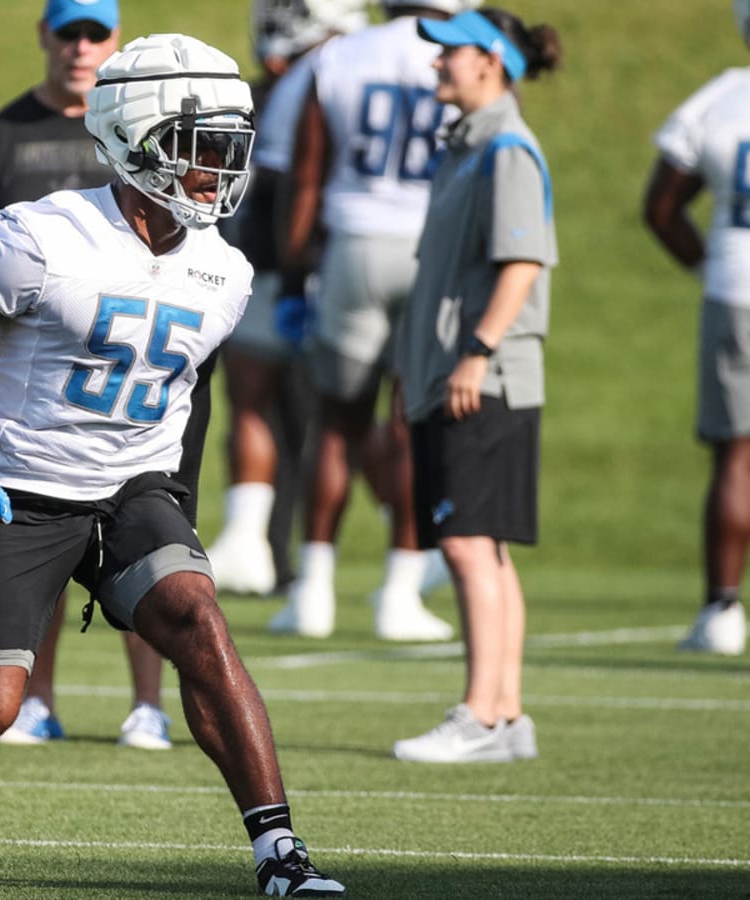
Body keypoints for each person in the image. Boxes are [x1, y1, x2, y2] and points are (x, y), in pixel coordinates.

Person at [0, 34, 346, 897]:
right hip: (25, 492)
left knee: (198, 618)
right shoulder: (43, 237)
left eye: (230, 149)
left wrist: (171, 503)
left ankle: (280, 854)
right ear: (138, 139)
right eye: (204, 149)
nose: (221, 169)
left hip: (133, 489)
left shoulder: (223, 270)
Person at [0, 0, 175, 750]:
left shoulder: (146, 133)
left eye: (95, 32)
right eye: (68, 31)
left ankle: (148, 704)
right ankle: (35, 699)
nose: (80, 47)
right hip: (36, 387)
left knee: (150, 542)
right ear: (44, 35)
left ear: (115, 40)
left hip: (138, 380)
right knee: (36, 544)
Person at [266, 0, 480, 641]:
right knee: (414, 422)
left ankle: (313, 590)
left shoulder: (339, 55)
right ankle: (400, 592)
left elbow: (306, 175)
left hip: (353, 243)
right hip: (432, 246)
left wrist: (295, 270)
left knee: (335, 423)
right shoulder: (466, 53)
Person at [391, 7, 560, 762]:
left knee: (464, 545)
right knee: (482, 548)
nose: (436, 67)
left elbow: (523, 264)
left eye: (449, 55)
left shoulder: (505, 149)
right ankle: (507, 714)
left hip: (481, 381)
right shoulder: (464, 147)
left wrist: (474, 354)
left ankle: (482, 717)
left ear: (489, 61)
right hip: (454, 377)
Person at [205, 0, 368, 598]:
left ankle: (273, 551)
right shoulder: (348, 73)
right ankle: (398, 551)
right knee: (338, 416)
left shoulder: (305, 82)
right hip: (333, 261)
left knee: (290, 410)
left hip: (286, 264)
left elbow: (282, 182)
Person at [642, 0, 750, 657]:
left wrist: (708, 267)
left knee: (738, 453)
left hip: (736, 289)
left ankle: (723, 609)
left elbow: (661, 208)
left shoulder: (721, 99)